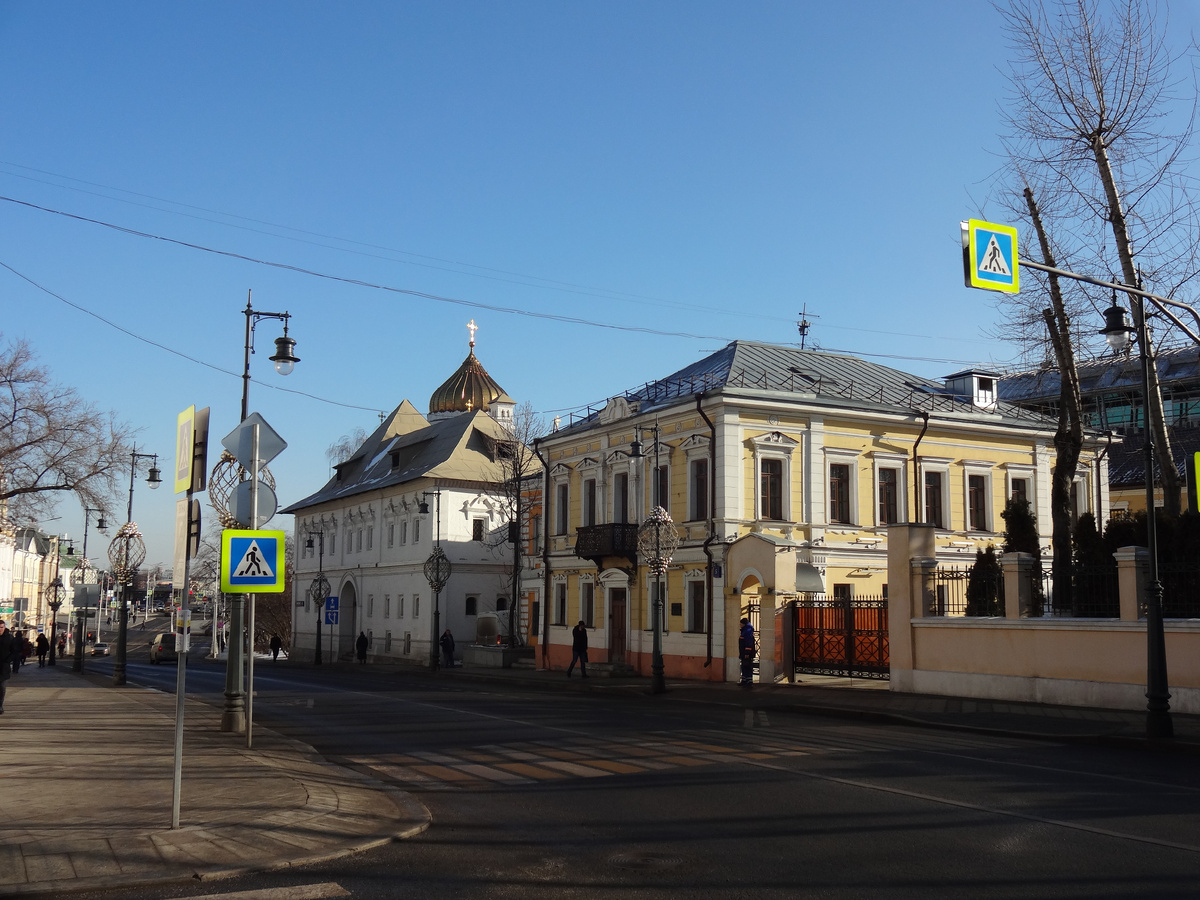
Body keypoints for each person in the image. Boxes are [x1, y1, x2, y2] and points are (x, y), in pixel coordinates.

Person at [738, 617, 755, 685]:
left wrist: (747, 653)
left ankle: (748, 681)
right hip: (744, 652)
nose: (740, 625)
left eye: (741, 624)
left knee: (747, 666)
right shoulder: (746, 630)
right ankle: (744, 680)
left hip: (746, 653)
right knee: (744, 666)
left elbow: (748, 643)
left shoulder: (747, 631)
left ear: (743, 624)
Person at [0, 622, 12, 713]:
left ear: (4, 627)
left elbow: (14, 651)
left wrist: (8, 660)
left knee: (2, 688)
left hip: (4, 667)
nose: (0, 629)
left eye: (1, 627)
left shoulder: (9, 638)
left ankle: (0, 705)